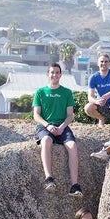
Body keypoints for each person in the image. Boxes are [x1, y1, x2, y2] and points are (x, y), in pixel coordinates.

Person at [34, 63, 82, 196]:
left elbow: (70, 115)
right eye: (52, 72)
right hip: (45, 126)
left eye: (57, 72)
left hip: (62, 126)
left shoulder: (67, 92)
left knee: (72, 146)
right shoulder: (40, 92)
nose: (54, 75)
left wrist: (61, 127)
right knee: (46, 141)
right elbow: (36, 115)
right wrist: (48, 125)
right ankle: (49, 178)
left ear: (60, 75)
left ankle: (75, 186)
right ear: (47, 74)